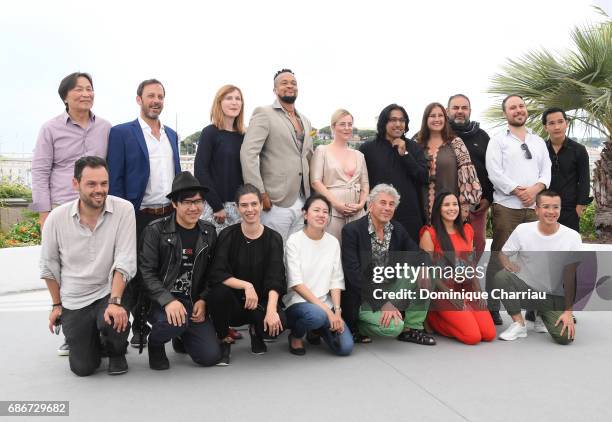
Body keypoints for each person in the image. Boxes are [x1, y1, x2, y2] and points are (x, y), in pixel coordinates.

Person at [31, 72, 111, 356]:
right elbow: (40, 171)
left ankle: (104, 327)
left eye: (90, 89)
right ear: (65, 96)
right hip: (63, 210)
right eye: (79, 90)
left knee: (100, 267)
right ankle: (71, 331)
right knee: (65, 270)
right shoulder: (50, 129)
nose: (86, 94)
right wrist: (44, 213)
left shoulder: (105, 127)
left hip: (97, 210)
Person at [41, 156, 136, 376]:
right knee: (83, 368)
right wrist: (57, 305)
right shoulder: (56, 219)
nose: (99, 190)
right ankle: (92, 338)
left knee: (113, 320)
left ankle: (116, 351)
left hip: (109, 290)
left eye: (104, 183)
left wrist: (115, 301)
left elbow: (125, 259)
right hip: (75, 297)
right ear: (76, 184)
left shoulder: (124, 210)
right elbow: (49, 265)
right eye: (91, 184)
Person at [107, 79, 182, 348]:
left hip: (167, 215)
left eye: (160, 96)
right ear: (139, 99)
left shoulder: (171, 135)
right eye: (151, 95)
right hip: (137, 215)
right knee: (135, 272)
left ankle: (150, 324)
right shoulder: (121, 133)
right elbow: (114, 179)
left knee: (161, 272)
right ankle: (128, 328)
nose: (156, 100)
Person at [139, 171, 221, 370]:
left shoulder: (208, 232)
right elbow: (146, 272)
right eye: (187, 202)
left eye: (199, 202)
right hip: (161, 301)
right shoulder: (155, 230)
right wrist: (168, 301)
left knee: (210, 357)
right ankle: (156, 343)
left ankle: (180, 336)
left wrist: (203, 299)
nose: (194, 208)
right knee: (175, 321)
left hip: (192, 302)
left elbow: (214, 273)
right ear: (174, 204)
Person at [485, 94, 551, 325]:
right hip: (507, 207)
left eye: (521, 106)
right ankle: (492, 307)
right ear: (506, 113)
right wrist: (517, 191)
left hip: (534, 208)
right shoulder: (498, 141)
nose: (518, 110)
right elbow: (494, 172)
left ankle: (533, 308)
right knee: (500, 256)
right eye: (512, 108)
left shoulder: (538, 141)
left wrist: (534, 191)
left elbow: (546, 172)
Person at [341, 184, 435, 345]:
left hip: (389, 290)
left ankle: (412, 328)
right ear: (370, 205)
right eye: (382, 203)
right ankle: (357, 326)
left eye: (391, 204)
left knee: (427, 271)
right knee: (393, 327)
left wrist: (424, 267)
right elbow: (354, 275)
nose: (387, 208)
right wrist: (383, 303)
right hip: (363, 297)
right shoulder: (352, 231)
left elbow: (418, 254)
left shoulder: (397, 229)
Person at [207, 184, 287, 364]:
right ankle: (223, 338)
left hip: (260, 304)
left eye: (254, 204)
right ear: (237, 208)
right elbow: (217, 272)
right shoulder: (227, 235)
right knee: (218, 293)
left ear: (260, 205)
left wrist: (272, 310)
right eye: (244, 205)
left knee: (277, 324)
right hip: (234, 303)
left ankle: (256, 332)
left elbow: (276, 278)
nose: (249, 209)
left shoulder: (274, 238)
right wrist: (246, 285)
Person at [494, 190, 581, 345]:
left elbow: (570, 278)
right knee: (501, 277)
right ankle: (519, 324)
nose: (551, 212)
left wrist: (568, 312)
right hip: (527, 288)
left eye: (556, 207)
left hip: (551, 295)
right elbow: (503, 254)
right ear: (536, 209)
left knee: (565, 337)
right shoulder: (523, 230)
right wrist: (508, 264)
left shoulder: (572, 237)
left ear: (560, 209)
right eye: (546, 206)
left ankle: (539, 314)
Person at [240, 69, 313, 242]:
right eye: (284, 83)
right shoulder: (264, 113)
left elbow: (308, 156)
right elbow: (248, 154)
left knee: (295, 253)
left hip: (303, 200)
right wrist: (260, 194)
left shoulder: (306, 120)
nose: (290, 86)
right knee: (273, 252)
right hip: (275, 201)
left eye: (293, 83)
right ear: (275, 90)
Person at [419, 191, 495, 345]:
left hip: (465, 288)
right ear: (438, 208)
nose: (452, 208)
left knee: (488, 333)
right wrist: (449, 294)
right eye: (446, 205)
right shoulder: (430, 234)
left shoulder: (467, 230)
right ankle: (433, 319)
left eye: (455, 204)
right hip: (442, 291)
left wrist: (479, 292)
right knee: (472, 337)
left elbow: (470, 265)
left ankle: (466, 314)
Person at [284, 194, 354, 356]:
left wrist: (336, 312)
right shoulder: (294, 241)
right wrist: (328, 313)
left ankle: (317, 330)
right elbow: (297, 283)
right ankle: (296, 335)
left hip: (325, 304)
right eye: (316, 210)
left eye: (325, 211)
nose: (322, 215)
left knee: (345, 348)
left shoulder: (332, 242)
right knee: (317, 316)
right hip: (298, 303)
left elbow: (336, 280)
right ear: (305, 214)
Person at [359, 104, 428, 242]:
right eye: (393, 120)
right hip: (378, 216)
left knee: (407, 262)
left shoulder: (414, 147)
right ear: (384, 122)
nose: (398, 124)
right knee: (378, 261)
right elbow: (361, 181)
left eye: (402, 120)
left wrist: (405, 154)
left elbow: (424, 177)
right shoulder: (368, 148)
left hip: (409, 216)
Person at [415, 102, 481, 223]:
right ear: (425, 119)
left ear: (445, 119)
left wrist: (464, 208)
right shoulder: (416, 143)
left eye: (440, 116)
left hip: (450, 209)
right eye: (432, 116)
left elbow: (467, 178)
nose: (437, 119)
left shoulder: (456, 143)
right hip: (419, 208)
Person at [310, 109, 369, 242]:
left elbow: (365, 184)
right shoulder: (322, 151)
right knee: (332, 250)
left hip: (357, 214)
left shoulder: (359, 155)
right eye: (342, 124)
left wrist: (360, 205)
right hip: (331, 212)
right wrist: (336, 204)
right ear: (333, 126)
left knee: (357, 253)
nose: (347, 128)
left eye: (350, 124)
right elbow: (315, 181)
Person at [447, 94, 493, 260]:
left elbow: (491, 170)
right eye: (456, 108)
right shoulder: (438, 134)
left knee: (477, 243)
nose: (460, 111)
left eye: (464, 108)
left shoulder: (482, 136)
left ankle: (469, 280)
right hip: (445, 206)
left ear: (470, 111)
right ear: (447, 111)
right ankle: (448, 283)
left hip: (476, 206)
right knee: (447, 247)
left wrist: (488, 198)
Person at [194, 84, 245, 233]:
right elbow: (200, 170)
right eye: (229, 98)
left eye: (238, 99)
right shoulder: (210, 132)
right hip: (216, 208)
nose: (234, 102)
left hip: (240, 208)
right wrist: (217, 206)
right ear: (219, 103)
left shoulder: (244, 135)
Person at [543, 107, 591, 233]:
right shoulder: (540, 148)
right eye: (551, 123)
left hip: (570, 208)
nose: (557, 127)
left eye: (560, 122)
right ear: (545, 127)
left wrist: (579, 207)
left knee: (568, 248)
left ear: (566, 123)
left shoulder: (579, 150)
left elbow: (585, 180)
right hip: (545, 207)